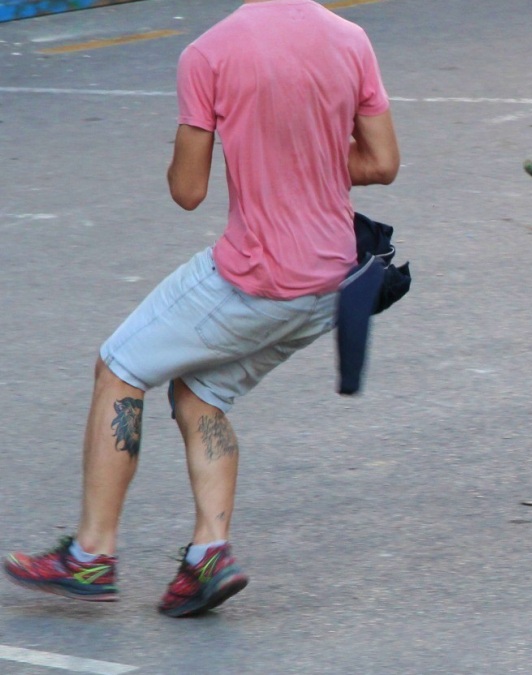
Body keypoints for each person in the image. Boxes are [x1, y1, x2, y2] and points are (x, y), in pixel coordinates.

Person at [3, 0, 399, 618]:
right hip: (330, 284)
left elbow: (187, 190)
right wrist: (308, 166)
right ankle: (209, 555)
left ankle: (91, 554)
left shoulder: (209, 53)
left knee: (120, 368)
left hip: (257, 277)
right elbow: (382, 162)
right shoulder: (351, 39)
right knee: (199, 396)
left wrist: (233, 150)